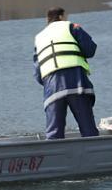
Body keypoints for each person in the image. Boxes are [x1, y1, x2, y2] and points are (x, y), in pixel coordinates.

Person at [34, 7, 99, 139]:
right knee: (88, 129)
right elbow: (90, 50)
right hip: (76, 82)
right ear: (61, 17)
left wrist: (48, 83)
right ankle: (93, 154)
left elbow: (37, 73)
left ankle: (54, 157)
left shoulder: (39, 37)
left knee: (54, 134)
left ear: (48, 20)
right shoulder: (71, 27)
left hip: (52, 87)